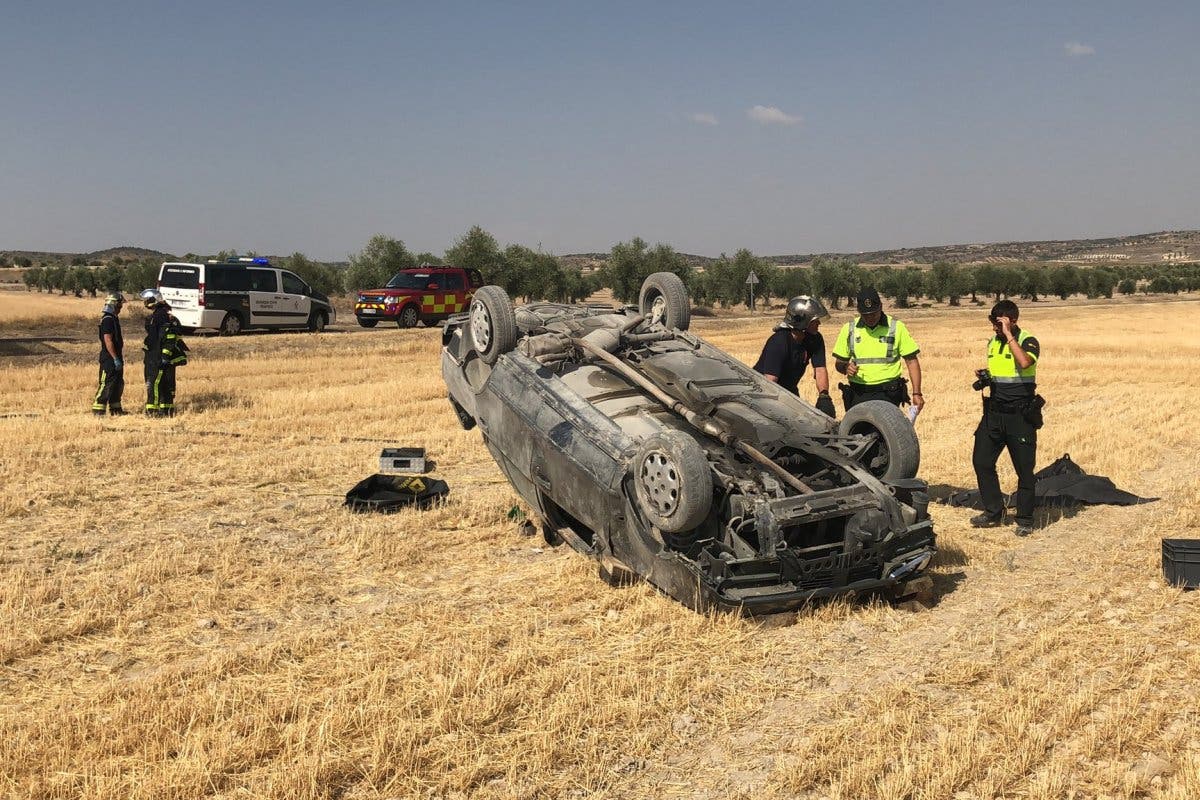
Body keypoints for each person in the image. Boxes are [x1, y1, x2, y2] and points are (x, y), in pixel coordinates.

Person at [970, 299, 1043, 537]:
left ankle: (1024, 519)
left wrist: (1009, 335)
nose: (994, 329)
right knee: (981, 461)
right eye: (993, 324)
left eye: (999, 323)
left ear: (1012, 321)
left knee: (1024, 469)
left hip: (1020, 415)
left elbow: (1023, 362)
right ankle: (993, 511)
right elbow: (1004, 372)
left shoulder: (1027, 340)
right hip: (994, 413)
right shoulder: (993, 342)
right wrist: (987, 375)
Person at [831, 287, 924, 415]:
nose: (870, 318)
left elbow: (911, 361)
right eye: (865, 315)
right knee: (858, 434)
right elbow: (839, 363)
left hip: (889, 394)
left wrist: (917, 393)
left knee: (885, 433)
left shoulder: (896, 327)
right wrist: (845, 367)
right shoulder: (849, 329)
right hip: (859, 394)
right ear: (858, 311)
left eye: (873, 313)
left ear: (881, 307)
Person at [753, 295, 836, 416]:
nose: (819, 323)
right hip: (765, 394)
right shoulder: (779, 341)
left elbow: (819, 369)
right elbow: (769, 383)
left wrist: (824, 397)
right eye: (814, 321)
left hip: (790, 390)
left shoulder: (815, 338)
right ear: (802, 322)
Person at [140, 288, 189, 416]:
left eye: (148, 300)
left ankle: (152, 410)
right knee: (164, 383)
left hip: (157, 356)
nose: (145, 303)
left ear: (154, 300)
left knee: (154, 383)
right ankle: (166, 410)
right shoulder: (160, 314)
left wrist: (165, 356)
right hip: (155, 354)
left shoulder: (160, 316)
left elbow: (169, 337)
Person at [91, 292, 126, 416]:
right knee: (107, 383)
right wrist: (115, 358)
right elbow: (108, 340)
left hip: (116, 356)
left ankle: (115, 409)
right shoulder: (107, 320)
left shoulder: (113, 318)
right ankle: (98, 409)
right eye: (120, 304)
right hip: (109, 358)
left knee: (118, 383)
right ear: (115, 304)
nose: (121, 307)